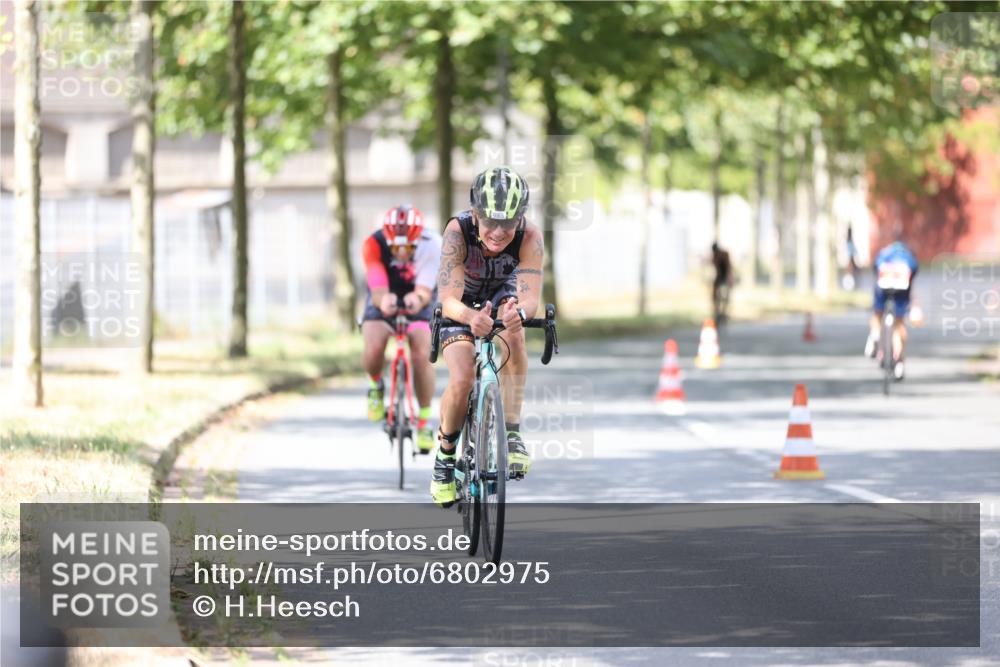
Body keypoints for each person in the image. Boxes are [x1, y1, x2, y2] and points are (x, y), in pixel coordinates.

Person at [429, 166, 544, 506]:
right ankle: (445, 458)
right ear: (475, 213)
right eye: (490, 222)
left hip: (503, 294)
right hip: (461, 304)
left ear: (519, 219)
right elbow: (448, 299)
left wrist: (518, 313)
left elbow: (531, 298)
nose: (497, 232)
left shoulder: (530, 236)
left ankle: (511, 433)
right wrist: (470, 317)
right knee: (463, 376)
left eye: (507, 224)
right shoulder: (457, 230)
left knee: (515, 334)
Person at [361, 205, 441, 453]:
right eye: (397, 247)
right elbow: (377, 287)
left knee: (421, 353)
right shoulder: (373, 244)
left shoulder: (433, 244)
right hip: (384, 292)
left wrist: (415, 300)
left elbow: (424, 291)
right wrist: (384, 301)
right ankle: (375, 385)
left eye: (409, 247)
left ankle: (425, 420)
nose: (403, 252)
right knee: (374, 347)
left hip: (419, 296)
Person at [865, 238, 919, 380]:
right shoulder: (909, 258)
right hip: (902, 289)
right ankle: (899, 361)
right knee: (899, 323)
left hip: (883, 287)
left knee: (877, 313)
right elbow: (913, 274)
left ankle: (875, 335)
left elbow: (876, 269)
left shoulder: (884, 254)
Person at [710, 242, 733, 324]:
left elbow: (728, 267)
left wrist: (729, 279)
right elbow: (716, 270)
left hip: (724, 278)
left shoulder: (724, 254)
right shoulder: (714, 257)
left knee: (724, 296)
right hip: (719, 278)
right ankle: (718, 313)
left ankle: (723, 313)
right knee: (715, 296)